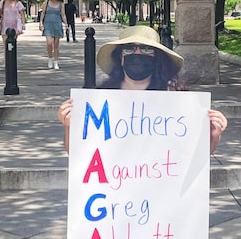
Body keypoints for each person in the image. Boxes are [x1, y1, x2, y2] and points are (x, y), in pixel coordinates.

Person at [57, 25, 227, 153]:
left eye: (146, 49)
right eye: (130, 48)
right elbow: (78, 153)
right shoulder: (100, 101)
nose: (137, 54)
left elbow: (194, 156)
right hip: (113, 193)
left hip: (162, 190)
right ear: (120, 57)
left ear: (157, 57)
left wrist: (214, 135)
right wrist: (69, 126)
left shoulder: (175, 97)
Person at [39, 0, 67, 70]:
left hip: (57, 23)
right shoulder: (46, 2)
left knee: (56, 44)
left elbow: (63, 14)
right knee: (49, 43)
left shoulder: (61, 3)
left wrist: (66, 24)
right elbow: (43, 12)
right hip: (47, 23)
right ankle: (50, 58)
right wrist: (40, 22)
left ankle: (56, 61)